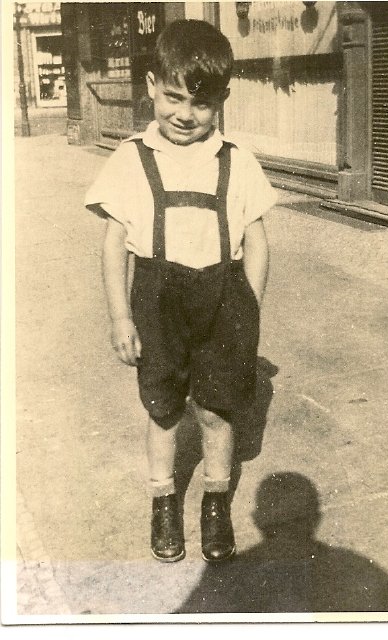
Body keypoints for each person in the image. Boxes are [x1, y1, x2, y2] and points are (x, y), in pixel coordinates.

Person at [85, 19, 277, 564]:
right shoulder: (131, 158)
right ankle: (163, 499)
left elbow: (257, 241)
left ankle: (216, 501)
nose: (185, 115)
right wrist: (121, 317)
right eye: (173, 97)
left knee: (216, 411)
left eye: (201, 102)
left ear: (222, 101)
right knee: (164, 409)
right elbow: (114, 245)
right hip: (156, 301)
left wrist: (249, 308)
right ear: (151, 86)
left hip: (223, 298)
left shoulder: (236, 159)